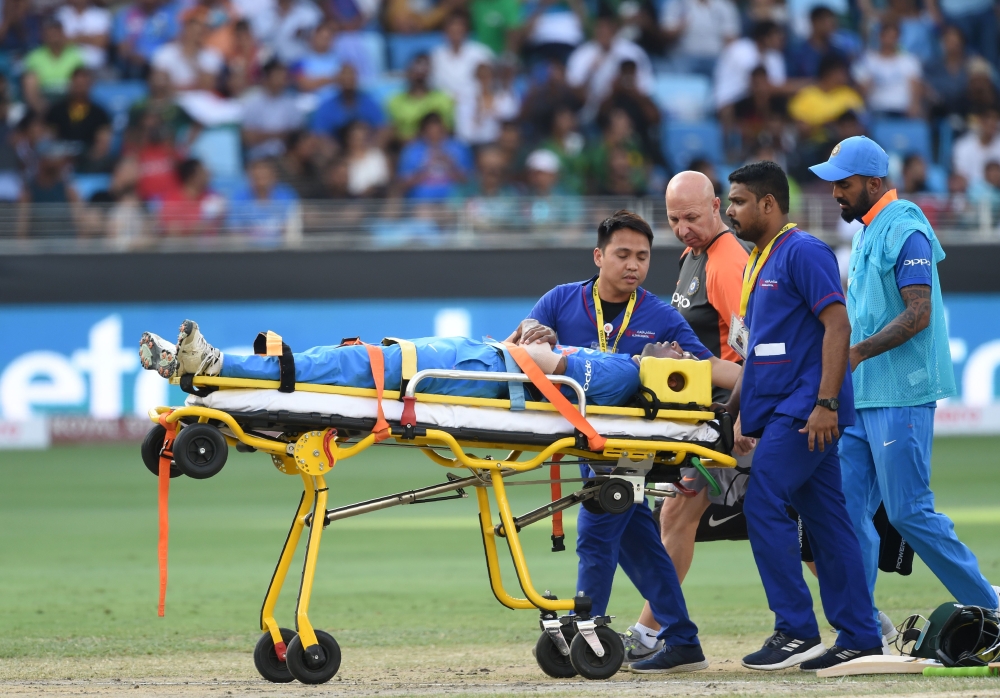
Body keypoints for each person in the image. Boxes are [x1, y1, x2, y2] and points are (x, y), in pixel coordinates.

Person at [510, 210, 742, 675]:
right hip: (580, 443)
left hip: (626, 449)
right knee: (637, 538)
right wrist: (532, 339)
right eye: (622, 254)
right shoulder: (560, 302)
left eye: (642, 256)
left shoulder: (661, 316)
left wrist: (751, 386)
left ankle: (586, 628)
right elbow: (512, 348)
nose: (633, 264)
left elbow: (712, 369)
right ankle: (682, 640)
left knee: (596, 533)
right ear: (599, 256)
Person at [808, 136, 1000, 634]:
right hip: (863, 395)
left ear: (874, 182)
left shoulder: (906, 225)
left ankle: (990, 605)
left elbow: (918, 314)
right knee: (846, 514)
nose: (835, 194)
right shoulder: (866, 231)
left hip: (901, 393)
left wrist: (855, 354)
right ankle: (863, 626)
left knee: (908, 511)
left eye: (843, 184)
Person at [718, 160, 883, 672]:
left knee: (763, 503)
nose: (730, 211)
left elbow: (839, 327)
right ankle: (859, 634)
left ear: (769, 203)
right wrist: (734, 413)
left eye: (739, 201)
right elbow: (755, 351)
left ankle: (795, 631)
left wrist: (826, 403)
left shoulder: (804, 251)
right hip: (784, 411)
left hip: (807, 410)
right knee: (829, 522)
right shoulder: (757, 261)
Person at [617, 171, 754, 663]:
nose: (682, 227)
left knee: (677, 512)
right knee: (794, 525)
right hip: (709, 416)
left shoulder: (727, 262)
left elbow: (752, 350)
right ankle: (869, 621)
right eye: (674, 219)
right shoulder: (692, 258)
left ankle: (652, 633)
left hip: (730, 416)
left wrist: (742, 418)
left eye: (692, 217)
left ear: (716, 206)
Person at [139, 320, 688, 411]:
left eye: (684, 357)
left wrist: (527, 344)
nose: (678, 352)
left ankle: (210, 366)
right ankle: (201, 367)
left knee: (341, 365)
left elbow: (543, 371)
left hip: (465, 370)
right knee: (340, 362)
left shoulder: (624, 374)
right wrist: (524, 340)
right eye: (679, 349)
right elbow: (542, 364)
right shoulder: (620, 365)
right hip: (474, 362)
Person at [566, 16, 654, 123]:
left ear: (614, 29)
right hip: (594, 109)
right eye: (600, 29)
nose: (603, 33)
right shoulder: (583, 54)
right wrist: (591, 73)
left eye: (607, 29)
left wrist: (627, 87)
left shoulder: (633, 52)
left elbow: (646, 87)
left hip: (631, 103)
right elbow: (573, 87)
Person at [851, 22, 922, 119]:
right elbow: (860, 90)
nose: (890, 40)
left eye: (894, 37)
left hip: (902, 109)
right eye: (887, 36)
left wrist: (914, 105)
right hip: (876, 109)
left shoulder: (909, 60)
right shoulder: (868, 59)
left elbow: (915, 87)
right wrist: (868, 86)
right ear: (880, 36)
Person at [659, 0, 740, 78]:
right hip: (684, 57)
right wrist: (680, 27)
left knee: (728, 69)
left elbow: (731, 40)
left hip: (716, 58)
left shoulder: (725, 6)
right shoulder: (678, 4)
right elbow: (665, 36)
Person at [388, 54, 454, 142]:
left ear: (430, 72)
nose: (419, 72)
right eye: (416, 68)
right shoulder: (396, 101)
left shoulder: (442, 99)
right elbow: (391, 131)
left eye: (423, 68)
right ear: (408, 71)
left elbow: (449, 130)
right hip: (404, 148)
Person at [430, 12, 494, 100]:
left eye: (459, 30)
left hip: (475, 102)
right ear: (445, 31)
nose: (455, 33)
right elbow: (433, 83)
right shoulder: (436, 55)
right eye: (452, 30)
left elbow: (490, 83)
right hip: (444, 104)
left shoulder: (481, 53)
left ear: (466, 30)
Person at [56, 0, 112, 70]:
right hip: (66, 68)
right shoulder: (61, 14)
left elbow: (102, 42)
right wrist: (90, 38)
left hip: (96, 66)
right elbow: (57, 41)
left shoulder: (101, 14)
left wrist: (73, 38)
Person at [952, 109, 1000, 186]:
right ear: (979, 121)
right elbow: (960, 177)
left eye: (995, 119)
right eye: (987, 119)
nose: (992, 123)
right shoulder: (963, 146)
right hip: (970, 194)